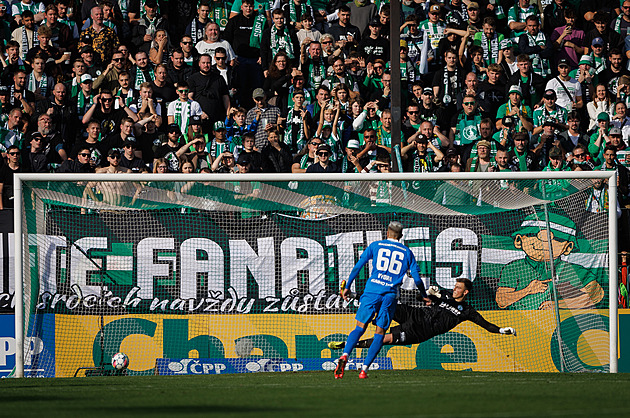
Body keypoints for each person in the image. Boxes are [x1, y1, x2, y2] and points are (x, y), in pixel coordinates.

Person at [333, 221, 429, 379]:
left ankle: (345, 355)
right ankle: (364, 370)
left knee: (359, 328)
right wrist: (424, 295)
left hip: (372, 291)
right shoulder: (407, 252)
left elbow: (358, 266)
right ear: (401, 236)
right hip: (390, 295)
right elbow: (417, 279)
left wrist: (347, 286)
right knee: (380, 333)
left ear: (387, 233)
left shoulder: (376, 245)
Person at [328, 278, 516, 352]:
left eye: (459, 288)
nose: (454, 289)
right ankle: (352, 295)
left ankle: (347, 345)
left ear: (466, 292)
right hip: (416, 314)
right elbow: (421, 297)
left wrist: (501, 330)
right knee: (388, 302)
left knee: (384, 338)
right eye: (455, 286)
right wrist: (429, 293)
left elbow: (486, 325)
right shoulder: (445, 295)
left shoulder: (467, 312)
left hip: (420, 330)